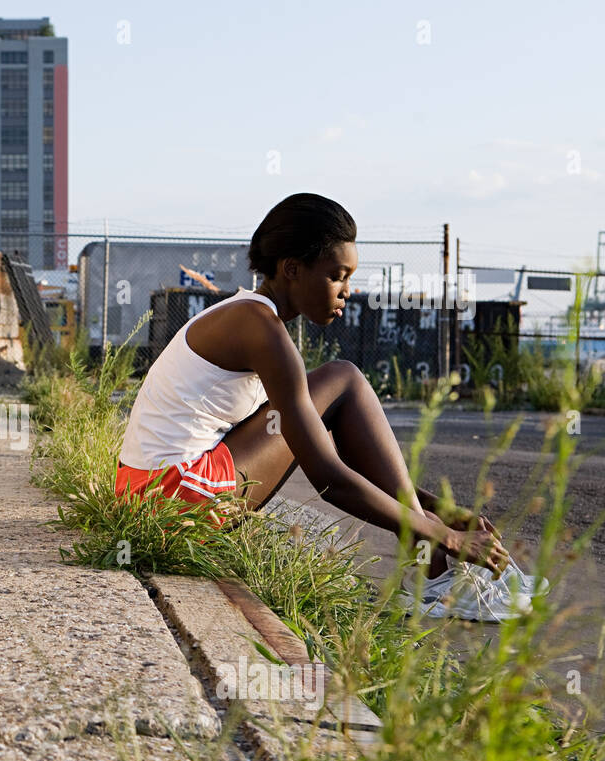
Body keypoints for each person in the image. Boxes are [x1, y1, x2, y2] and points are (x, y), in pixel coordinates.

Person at [115, 192, 544, 621]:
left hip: (154, 499)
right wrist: (446, 535)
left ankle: (433, 574)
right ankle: (435, 575)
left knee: (340, 386)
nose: (346, 291)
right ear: (293, 269)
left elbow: (333, 454)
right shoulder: (260, 328)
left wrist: (441, 513)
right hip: (174, 501)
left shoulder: (251, 316)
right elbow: (327, 476)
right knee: (344, 380)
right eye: (337, 276)